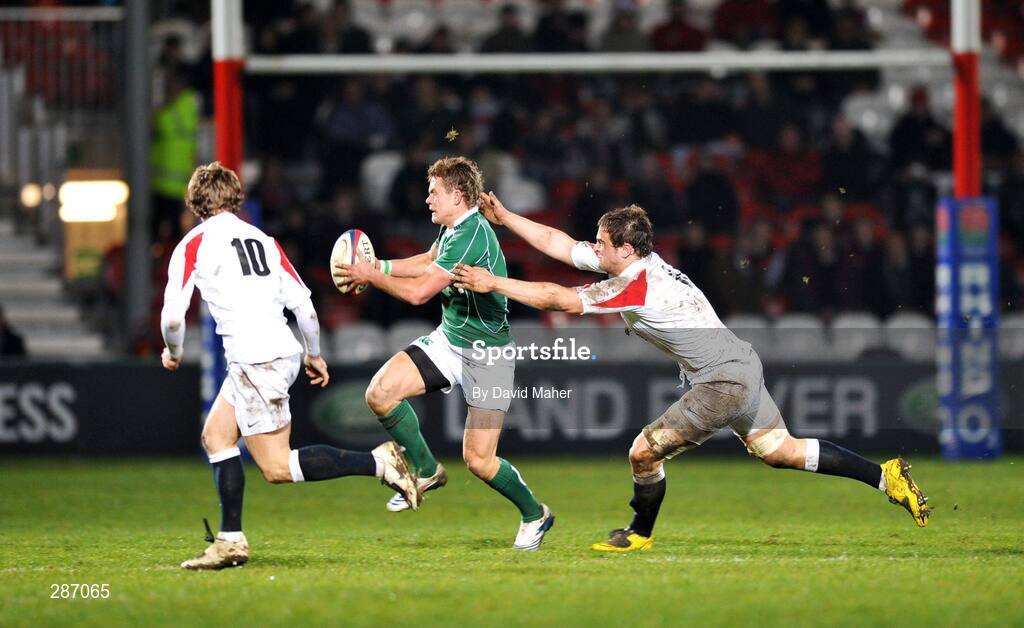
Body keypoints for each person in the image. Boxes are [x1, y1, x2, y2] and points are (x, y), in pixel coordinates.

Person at [453, 194, 931, 552]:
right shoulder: (639, 263)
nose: (594, 250)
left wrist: (493, 281)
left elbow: (558, 297)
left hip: (724, 380)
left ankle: (639, 534)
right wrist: (507, 218)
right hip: (741, 364)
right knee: (781, 451)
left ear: (624, 247)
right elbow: (561, 246)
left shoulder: (638, 285)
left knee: (642, 452)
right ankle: (886, 477)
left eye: (601, 244)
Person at [160, 163, 419, 570]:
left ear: (194, 203)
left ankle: (380, 463)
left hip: (254, 359)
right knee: (217, 436)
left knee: (278, 467)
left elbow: (173, 319)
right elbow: (304, 305)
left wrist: (172, 352)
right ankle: (230, 541)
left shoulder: (193, 243)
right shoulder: (264, 240)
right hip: (279, 350)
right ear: (235, 198)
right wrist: (313, 353)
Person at [332, 156, 555, 550]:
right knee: (380, 393)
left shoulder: (472, 234)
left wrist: (372, 277)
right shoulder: (454, 231)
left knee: (479, 462)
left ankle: (535, 513)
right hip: (451, 341)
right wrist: (376, 263)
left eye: (434, 192)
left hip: (488, 355)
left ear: (457, 194)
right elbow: (427, 262)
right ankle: (425, 469)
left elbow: (419, 293)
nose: (427, 199)